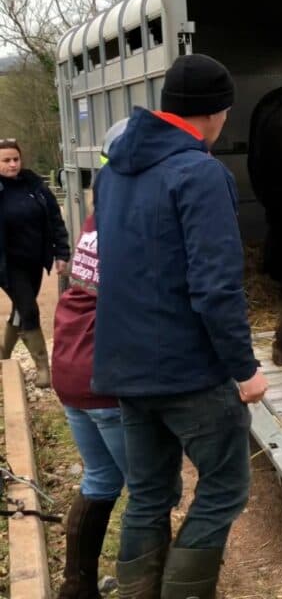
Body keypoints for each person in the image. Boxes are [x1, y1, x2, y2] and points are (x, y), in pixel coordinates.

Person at [93, 54, 269, 599]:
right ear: (216, 114)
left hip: (125, 367)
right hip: (188, 371)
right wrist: (245, 369)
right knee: (223, 489)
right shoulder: (200, 173)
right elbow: (216, 288)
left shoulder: (112, 171)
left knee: (147, 493)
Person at [52, 119, 129, 599]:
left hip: (69, 368)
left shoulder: (97, 219)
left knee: (101, 477)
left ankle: (76, 587)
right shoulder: (131, 224)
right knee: (150, 490)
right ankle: (146, 586)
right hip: (102, 378)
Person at [1, 137, 70, 387]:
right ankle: (43, 368)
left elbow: (54, 218)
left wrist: (62, 253)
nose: (12, 164)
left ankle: (3, 356)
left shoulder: (34, 185)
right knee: (29, 309)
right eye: (6, 160)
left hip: (34, 260)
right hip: (8, 265)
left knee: (21, 309)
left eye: (15, 159)